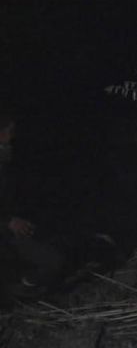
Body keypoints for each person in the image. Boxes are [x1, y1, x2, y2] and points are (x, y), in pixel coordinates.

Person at [0, 113, 63, 299]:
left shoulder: (8, 161)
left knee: (53, 259)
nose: (12, 136)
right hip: (6, 231)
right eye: (9, 131)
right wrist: (8, 222)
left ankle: (23, 287)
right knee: (52, 261)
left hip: (9, 231)